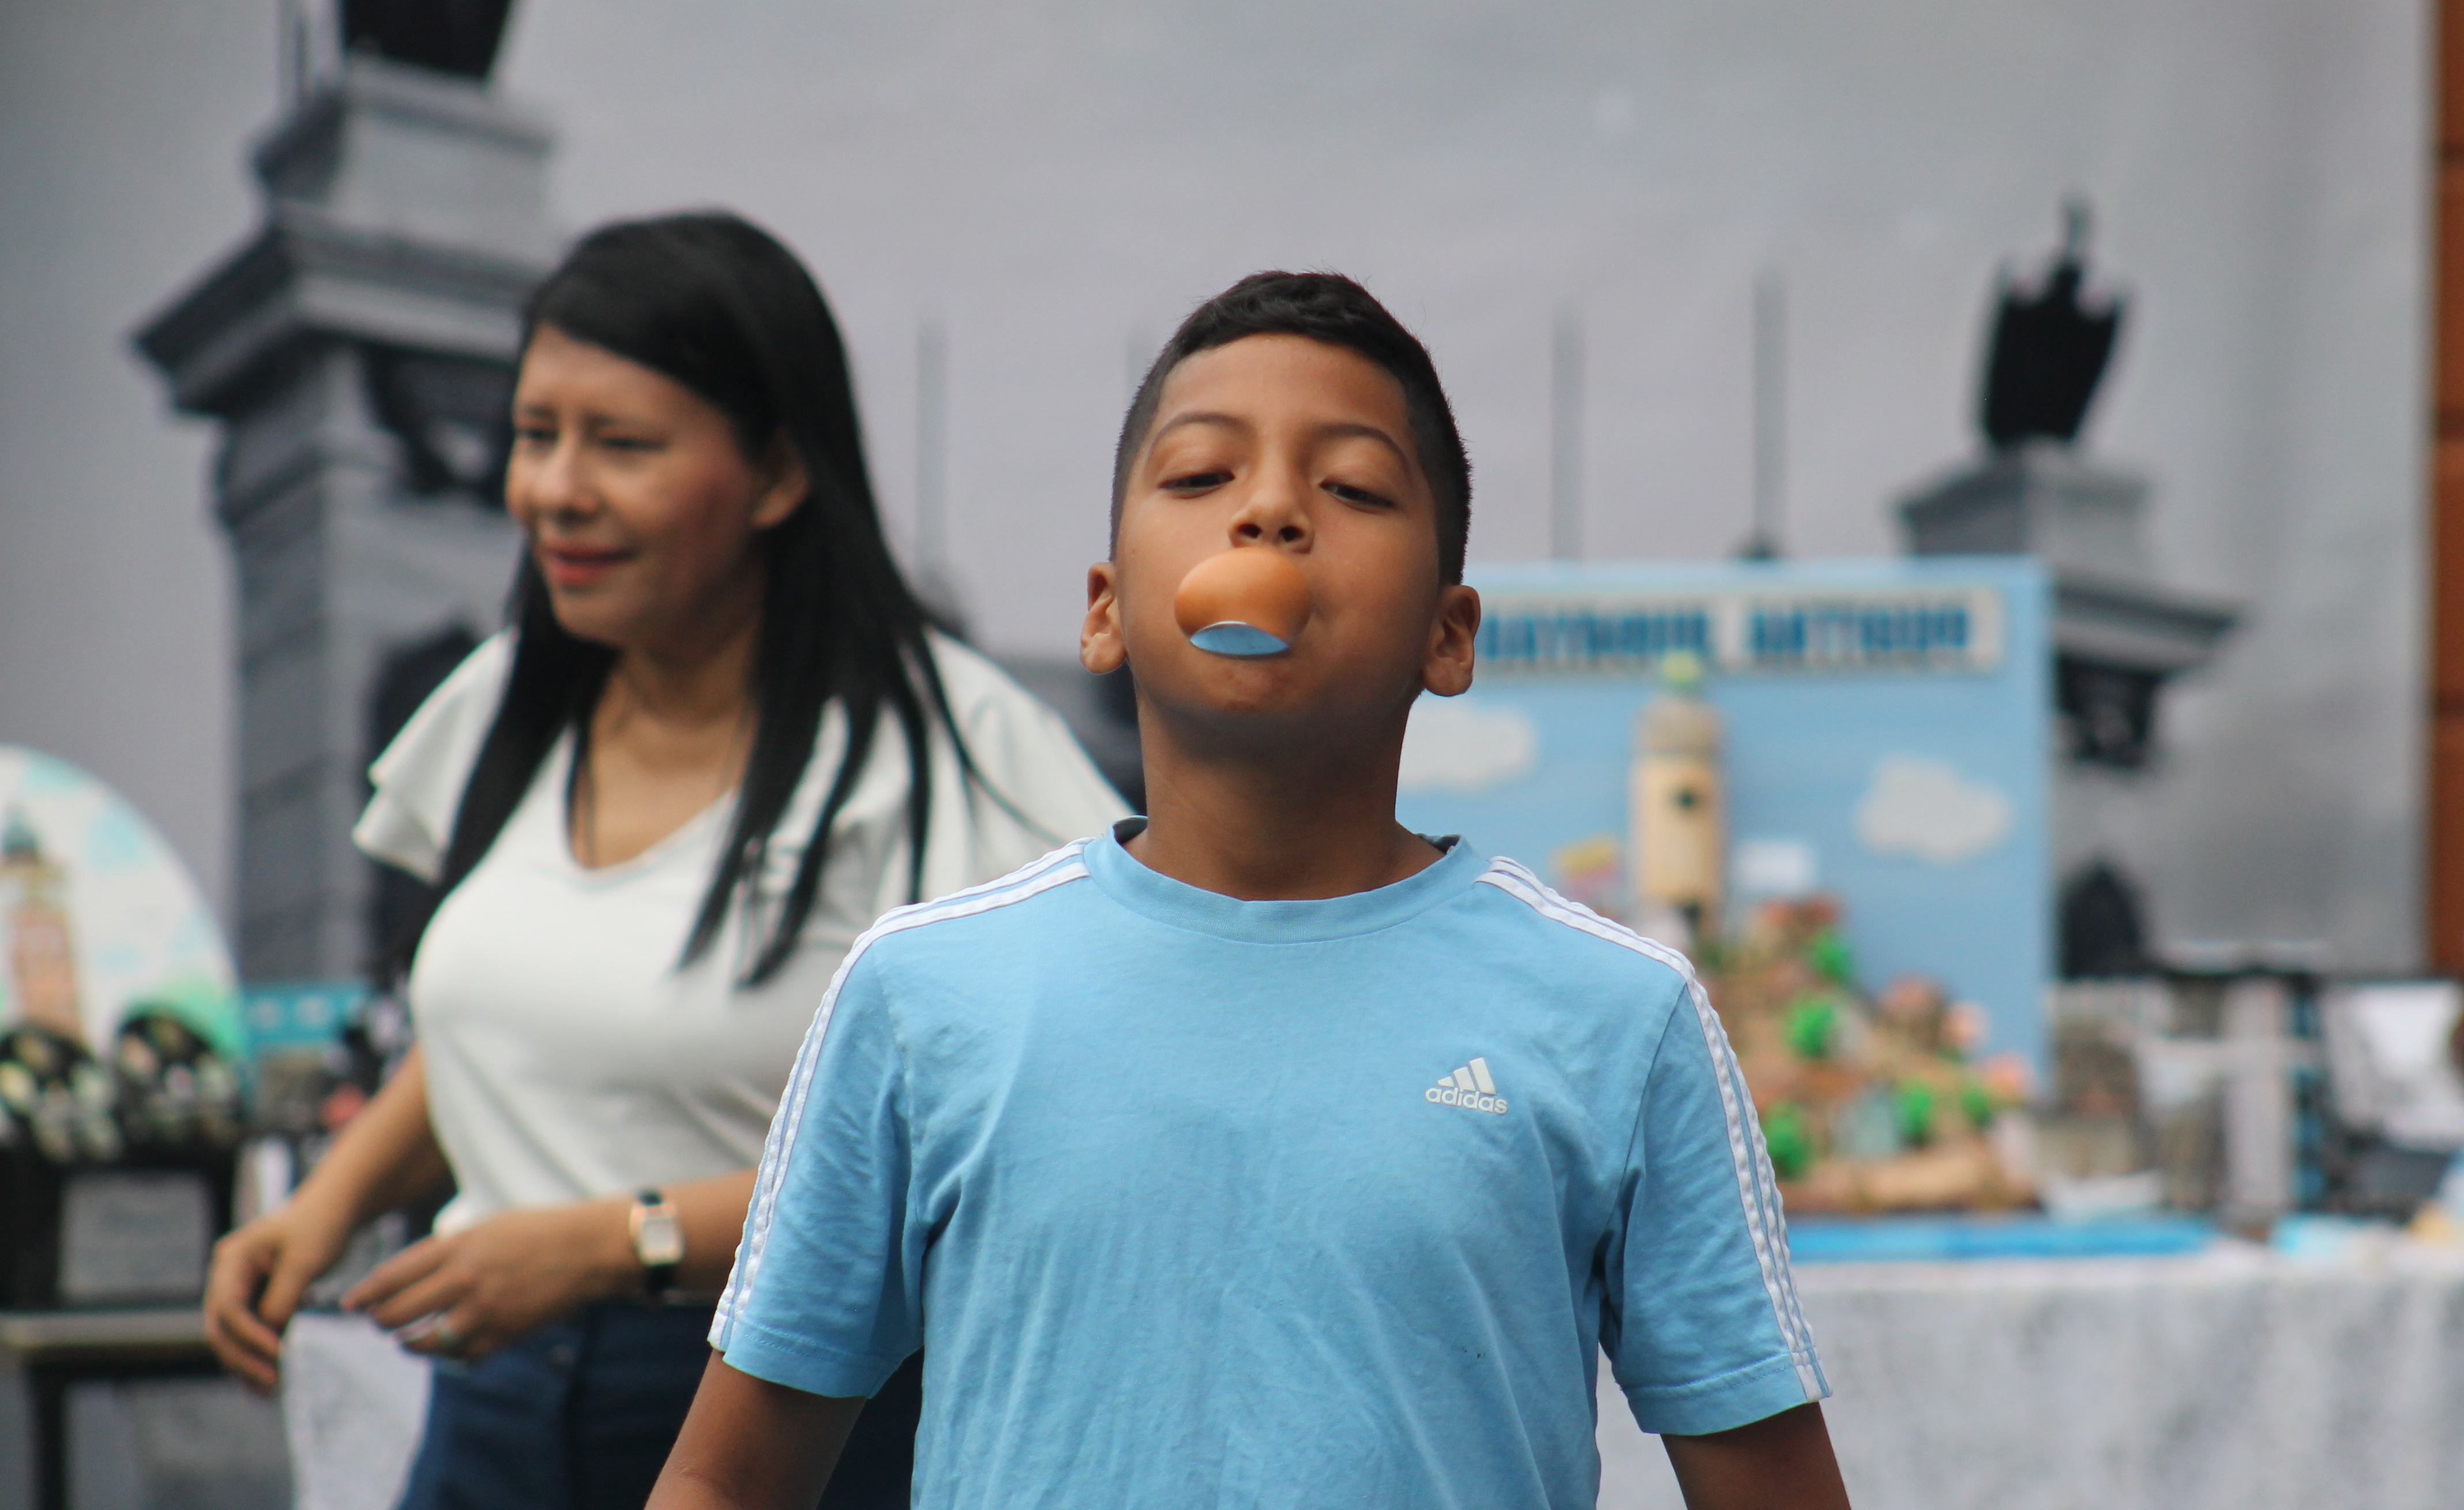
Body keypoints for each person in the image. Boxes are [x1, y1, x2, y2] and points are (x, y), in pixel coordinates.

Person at [648, 271, 1850, 1509]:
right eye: (1201, 477)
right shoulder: (922, 992)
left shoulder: (1619, 1015)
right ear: (1107, 610)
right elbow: (727, 1480)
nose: (1271, 510)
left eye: (1354, 487)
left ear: (1451, 633)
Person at [200, 212, 1127, 1510]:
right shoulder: (498, 708)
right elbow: (505, 1038)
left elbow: (1018, 1134)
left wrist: (612, 1245)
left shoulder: (949, 747)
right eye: (535, 435)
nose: (556, 489)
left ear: (779, 472)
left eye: (623, 445)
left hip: (788, 1412)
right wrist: (325, 1208)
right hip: (492, 1403)